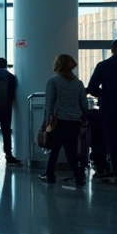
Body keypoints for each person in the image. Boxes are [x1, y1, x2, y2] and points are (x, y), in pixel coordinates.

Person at [41, 54, 89, 186]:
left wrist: (45, 122)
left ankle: (50, 175)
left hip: (58, 121)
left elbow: (49, 103)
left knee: (54, 149)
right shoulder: (78, 83)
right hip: (74, 121)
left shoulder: (53, 81)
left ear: (58, 65)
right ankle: (78, 176)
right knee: (71, 150)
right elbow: (84, 104)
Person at [86, 39, 117, 180]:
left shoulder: (103, 66)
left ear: (112, 49)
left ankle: (116, 171)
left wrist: (103, 94)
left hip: (110, 108)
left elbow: (92, 87)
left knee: (112, 141)